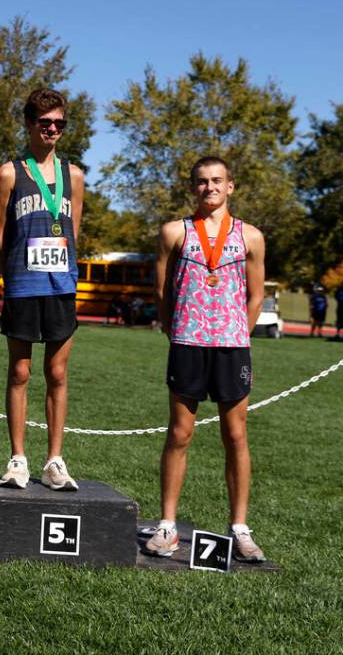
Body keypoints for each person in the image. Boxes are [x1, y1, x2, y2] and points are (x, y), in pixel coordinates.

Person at [144, 156, 267, 562]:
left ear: (231, 186)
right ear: (192, 187)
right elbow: (162, 289)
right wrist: (173, 327)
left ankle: (240, 528)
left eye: (217, 181)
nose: (209, 188)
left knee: (235, 436)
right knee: (179, 433)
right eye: (201, 182)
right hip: (188, 342)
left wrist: (239, 333)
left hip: (232, 348)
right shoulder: (173, 232)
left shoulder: (250, 236)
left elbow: (255, 294)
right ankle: (167, 525)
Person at [0, 89, 85, 490]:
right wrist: (13, 275)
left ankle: (54, 460)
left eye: (59, 124)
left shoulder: (74, 175)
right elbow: (0, 234)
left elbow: (74, 230)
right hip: (23, 285)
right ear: (29, 123)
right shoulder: (9, 173)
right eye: (45, 122)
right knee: (20, 371)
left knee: (57, 373)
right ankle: (18, 458)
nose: (52, 130)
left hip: (61, 285)